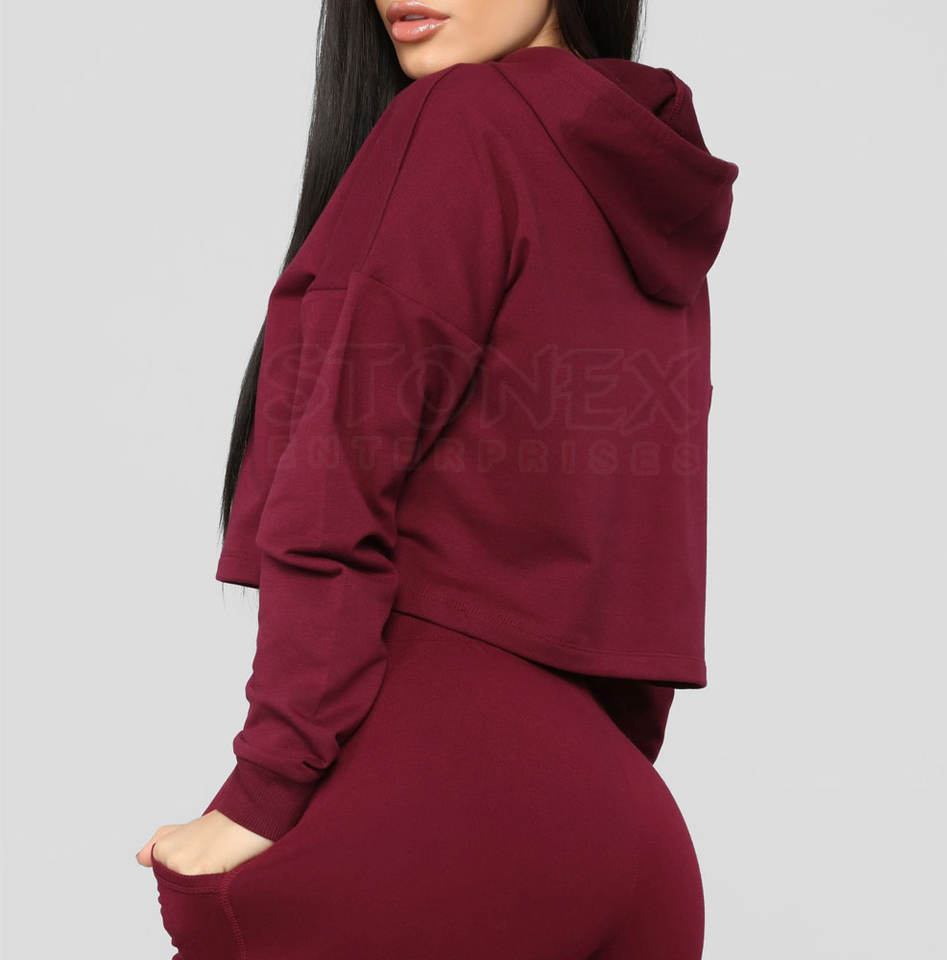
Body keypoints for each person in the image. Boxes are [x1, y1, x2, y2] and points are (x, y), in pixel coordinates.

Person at [137, 1, 739, 957]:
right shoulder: (637, 172)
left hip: (443, 804)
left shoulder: (464, 119)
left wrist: (262, 793)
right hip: (628, 832)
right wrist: (578, 796)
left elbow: (333, 490)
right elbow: (641, 551)